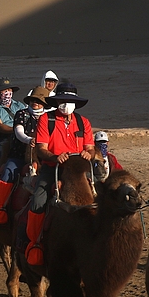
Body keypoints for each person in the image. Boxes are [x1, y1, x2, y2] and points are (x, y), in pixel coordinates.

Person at [24, 83, 94, 265]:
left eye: (69, 101)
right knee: (39, 199)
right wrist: (55, 157)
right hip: (52, 168)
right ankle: (34, 243)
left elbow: (91, 148)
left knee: (99, 199)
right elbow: (41, 149)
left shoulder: (83, 122)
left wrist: (89, 154)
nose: (66, 104)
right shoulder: (46, 120)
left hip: (77, 170)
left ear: (75, 104)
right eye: (62, 101)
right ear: (57, 102)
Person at [0, 85, 48, 225]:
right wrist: (29, 140)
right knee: (8, 172)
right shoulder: (21, 114)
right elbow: (19, 131)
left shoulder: (48, 118)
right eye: (33, 99)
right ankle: (0, 208)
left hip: (44, 157)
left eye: (39, 100)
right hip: (19, 154)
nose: (35, 102)